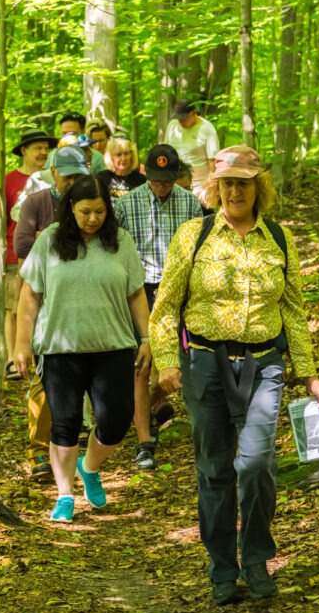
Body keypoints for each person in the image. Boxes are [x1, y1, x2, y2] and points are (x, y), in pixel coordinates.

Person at [149, 145, 319, 605]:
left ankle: (255, 557)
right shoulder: (194, 235)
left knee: (255, 465)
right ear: (215, 187)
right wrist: (168, 360)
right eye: (227, 183)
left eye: (244, 183)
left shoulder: (278, 239)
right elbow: (166, 306)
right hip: (204, 362)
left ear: (258, 187)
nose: (235, 191)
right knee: (214, 470)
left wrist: (307, 374)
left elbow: (292, 308)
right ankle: (222, 568)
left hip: (264, 362)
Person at [14, 175, 151, 523]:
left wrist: (148, 338)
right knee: (65, 422)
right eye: (85, 211)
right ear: (70, 208)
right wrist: (21, 344)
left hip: (114, 345)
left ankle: (88, 468)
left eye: (100, 211)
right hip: (61, 348)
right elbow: (30, 294)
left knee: (116, 422)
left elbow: (136, 293)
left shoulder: (119, 241)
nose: (93, 219)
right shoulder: (49, 241)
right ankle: (64, 495)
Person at [114, 144, 202, 471]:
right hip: (141, 292)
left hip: (180, 293)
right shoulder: (127, 205)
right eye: (156, 180)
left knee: (184, 359)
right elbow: (116, 252)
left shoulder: (190, 204)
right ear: (146, 176)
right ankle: (143, 441)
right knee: (141, 364)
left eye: (167, 180)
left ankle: (164, 415)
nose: (162, 186)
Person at [11, 145, 89, 479]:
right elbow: (23, 245)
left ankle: (69, 442)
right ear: (54, 172)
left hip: (83, 295)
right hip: (42, 293)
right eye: (68, 175)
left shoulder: (90, 201)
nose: (72, 182)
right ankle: (38, 451)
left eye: (78, 176)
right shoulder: (37, 202)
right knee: (44, 375)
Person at [0, 128, 55, 383]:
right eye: (37, 148)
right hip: (16, 252)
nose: (42, 152)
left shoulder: (53, 177)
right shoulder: (9, 180)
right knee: (14, 304)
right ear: (23, 151)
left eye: (45, 148)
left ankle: (39, 350)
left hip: (49, 254)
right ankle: (12, 357)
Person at [165, 98, 220, 195]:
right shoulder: (172, 126)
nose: (181, 122)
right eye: (179, 118)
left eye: (184, 118)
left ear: (193, 113)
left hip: (198, 187)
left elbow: (213, 162)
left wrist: (209, 186)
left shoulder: (207, 129)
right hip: (173, 184)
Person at [39, 114, 106, 184]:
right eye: (64, 133)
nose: (67, 137)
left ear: (83, 132)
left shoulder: (96, 157)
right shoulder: (52, 155)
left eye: (73, 133)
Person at [96, 133, 146, 205]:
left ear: (132, 155)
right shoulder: (101, 178)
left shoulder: (141, 181)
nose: (123, 158)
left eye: (126, 154)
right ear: (111, 156)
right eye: (118, 154)